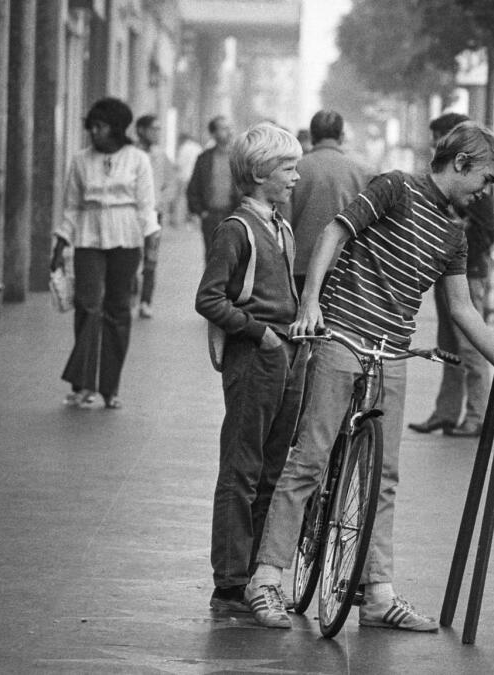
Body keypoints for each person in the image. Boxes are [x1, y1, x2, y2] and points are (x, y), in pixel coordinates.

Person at [244, 122, 494, 631]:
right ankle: (266, 579)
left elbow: (463, 310)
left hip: (392, 353)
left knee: (383, 477)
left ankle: (377, 594)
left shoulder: (453, 234)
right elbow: (335, 232)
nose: (485, 190)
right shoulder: (395, 187)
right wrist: (312, 303)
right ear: (462, 163)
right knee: (310, 461)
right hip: (343, 335)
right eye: (486, 178)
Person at [195, 122, 306, 614]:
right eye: (288, 168)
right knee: (241, 469)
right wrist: (259, 333)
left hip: (284, 355)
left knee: (271, 470)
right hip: (256, 357)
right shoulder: (236, 230)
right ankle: (230, 578)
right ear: (261, 173)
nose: (296, 177)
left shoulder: (280, 226)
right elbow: (208, 298)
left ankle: (257, 574)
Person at [50, 97, 158, 409]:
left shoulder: (138, 159)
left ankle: (110, 388)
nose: (94, 132)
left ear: (117, 128)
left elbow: (146, 206)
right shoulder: (80, 160)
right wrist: (60, 243)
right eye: (92, 127)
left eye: (101, 126)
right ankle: (83, 384)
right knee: (87, 305)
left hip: (127, 237)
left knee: (117, 309)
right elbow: (71, 206)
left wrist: (152, 242)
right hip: (87, 236)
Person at [407, 112, 494, 438]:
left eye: (439, 141)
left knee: (470, 346)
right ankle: (446, 412)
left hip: (468, 272)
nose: (435, 149)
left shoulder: (474, 185)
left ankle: (477, 415)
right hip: (446, 271)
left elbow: (487, 231)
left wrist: (457, 234)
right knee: (448, 346)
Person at [288, 110, 372, 294]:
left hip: (302, 266)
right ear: (341, 136)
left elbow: (284, 223)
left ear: (312, 136)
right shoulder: (359, 171)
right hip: (344, 266)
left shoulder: (295, 169)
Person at [134, 114, 177, 318]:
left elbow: (172, 183)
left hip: (154, 214)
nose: (157, 133)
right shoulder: (130, 153)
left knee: (151, 259)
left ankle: (145, 301)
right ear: (141, 130)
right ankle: (129, 296)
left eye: (159, 129)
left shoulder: (161, 156)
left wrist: (160, 201)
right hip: (132, 215)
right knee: (130, 256)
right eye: (154, 129)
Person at [187, 115, 241, 258]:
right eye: (223, 128)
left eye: (229, 127)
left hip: (233, 214)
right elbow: (193, 187)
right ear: (214, 133)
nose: (229, 132)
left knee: (233, 257)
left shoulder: (238, 157)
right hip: (210, 216)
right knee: (212, 257)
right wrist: (201, 211)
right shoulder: (204, 158)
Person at [175, 132, 203, 229]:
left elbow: (179, 163)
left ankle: (180, 222)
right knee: (195, 199)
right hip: (196, 178)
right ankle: (194, 221)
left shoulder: (183, 149)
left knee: (182, 198)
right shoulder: (197, 147)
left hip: (184, 177)